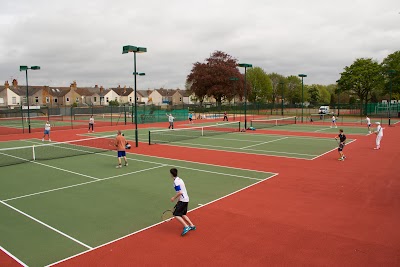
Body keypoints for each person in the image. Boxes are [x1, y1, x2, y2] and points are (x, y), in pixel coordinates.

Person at [169, 168, 196, 236]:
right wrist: (178, 201)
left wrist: (173, 198)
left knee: (176, 214)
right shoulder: (180, 179)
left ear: (171, 174)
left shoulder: (176, 182)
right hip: (185, 199)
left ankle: (186, 226)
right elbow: (182, 191)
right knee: (183, 214)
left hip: (183, 199)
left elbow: (180, 192)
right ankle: (192, 225)